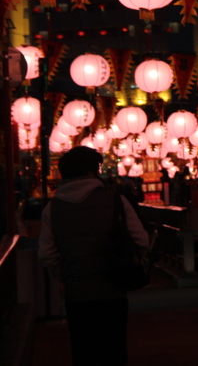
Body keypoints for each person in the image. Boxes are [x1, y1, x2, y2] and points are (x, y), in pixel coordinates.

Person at [38, 146, 150, 366]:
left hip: (77, 292)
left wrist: (66, 274)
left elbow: (46, 254)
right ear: (92, 172)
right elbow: (142, 241)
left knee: (83, 350)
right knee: (114, 349)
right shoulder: (116, 201)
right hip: (113, 289)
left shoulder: (52, 209)